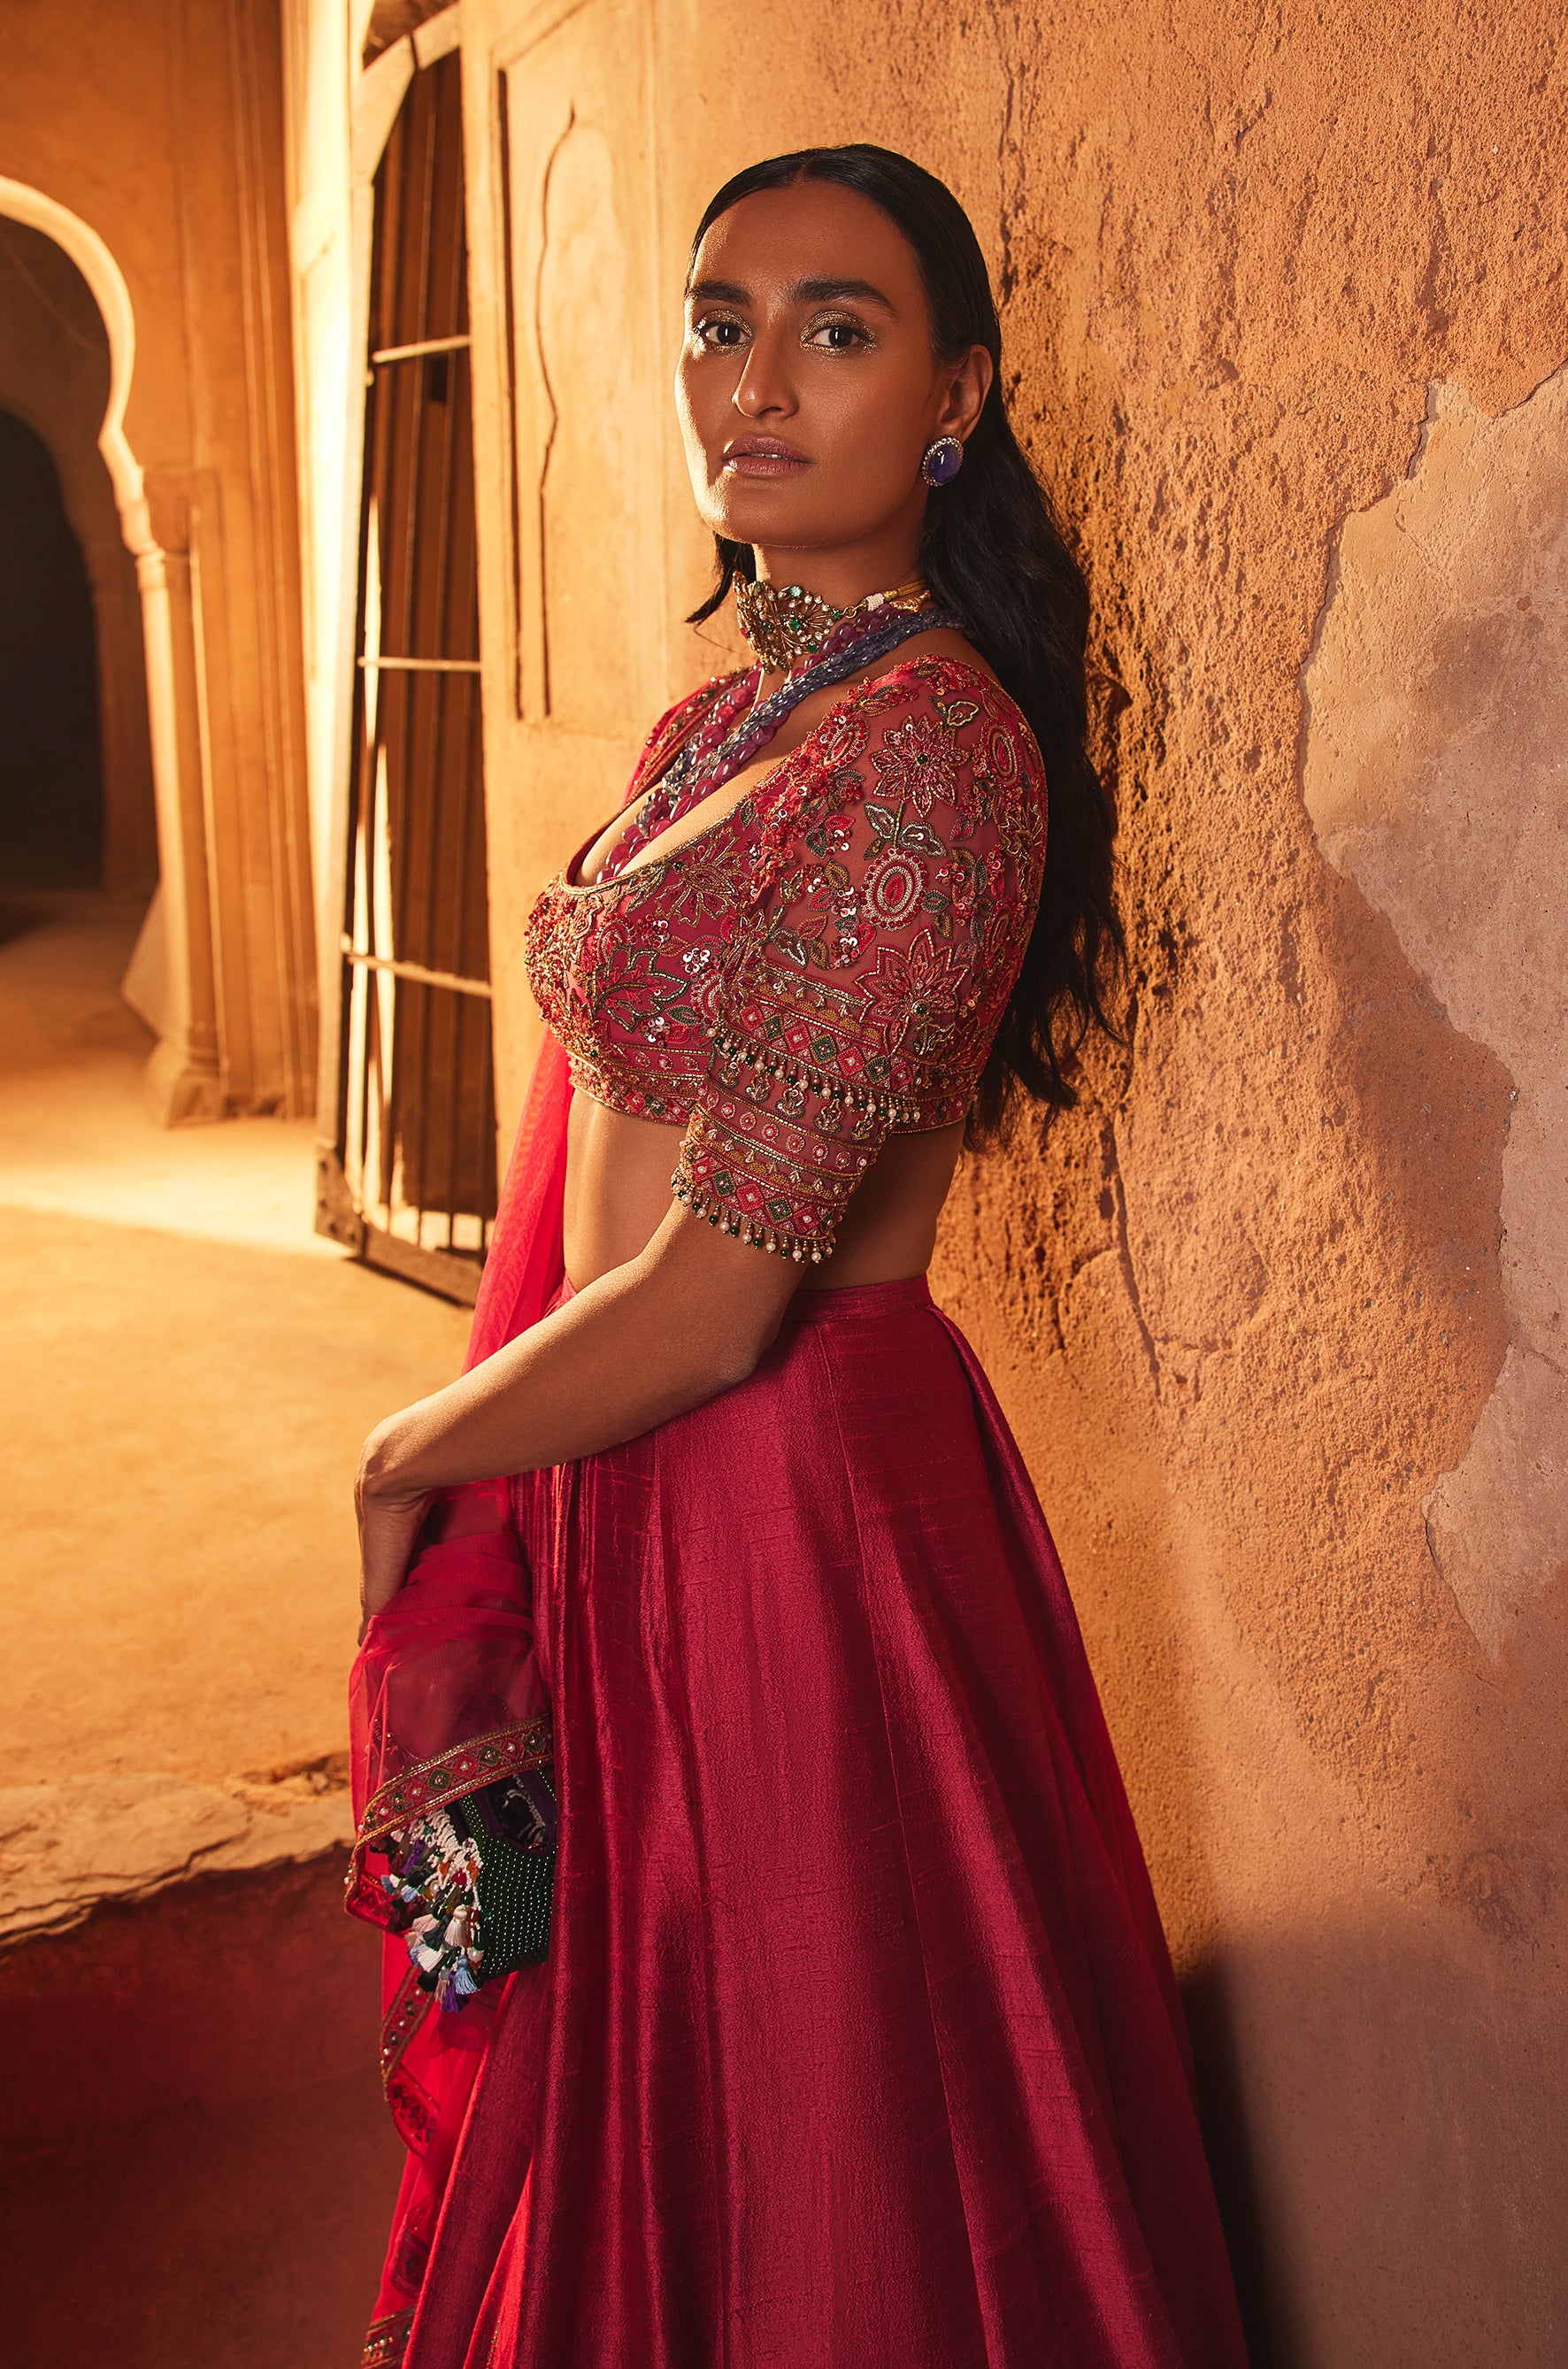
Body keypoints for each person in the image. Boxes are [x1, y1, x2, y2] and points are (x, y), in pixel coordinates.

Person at [346, 143, 1249, 2369]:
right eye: (714, 320)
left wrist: (409, 1452)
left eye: (833, 328)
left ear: (950, 399)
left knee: (820, 2119)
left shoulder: (938, 757)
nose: (753, 378)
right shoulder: (727, 719)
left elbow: (728, 1286)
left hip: (789, 1506)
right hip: (637, 1462)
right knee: (658, 2079)